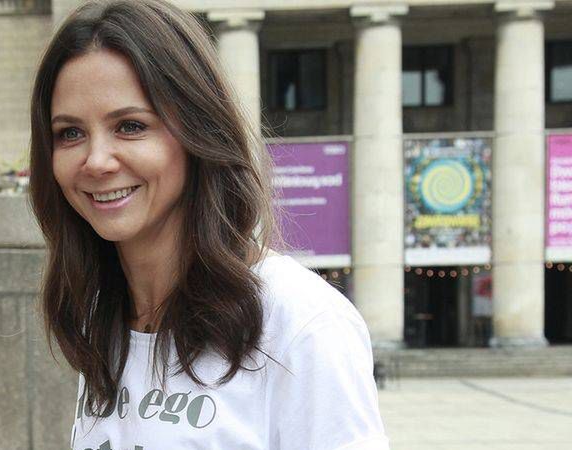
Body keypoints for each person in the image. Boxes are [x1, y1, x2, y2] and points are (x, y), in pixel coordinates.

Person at [27, 1, 389, 449]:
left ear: (197, 130)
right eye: (70, 133)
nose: (96, 161)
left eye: (130, 126)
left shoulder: (300, 323)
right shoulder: (104, 316)